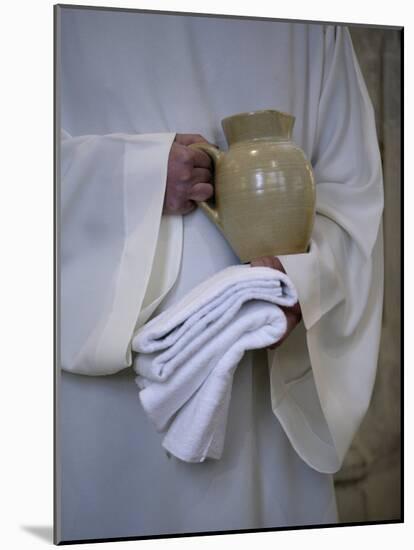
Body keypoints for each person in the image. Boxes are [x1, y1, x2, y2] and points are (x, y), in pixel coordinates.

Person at [58, 7, 384, 542]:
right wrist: (133, 179)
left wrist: (305, 278)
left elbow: (353, 200)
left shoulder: (319, 22)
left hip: (262, 394)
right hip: (106, 411)